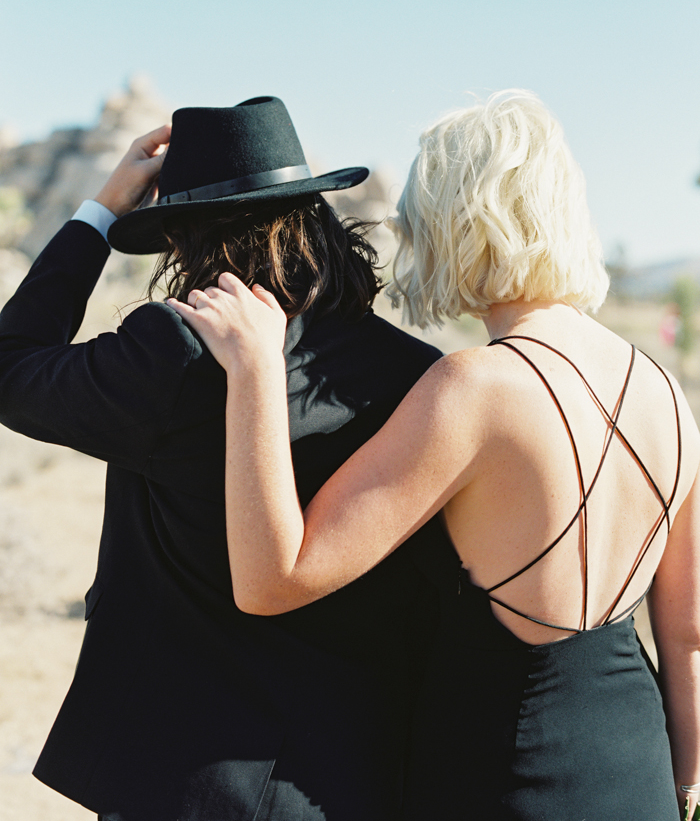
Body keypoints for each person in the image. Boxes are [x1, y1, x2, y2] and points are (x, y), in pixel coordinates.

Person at [169, 90, 700, 821]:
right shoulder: (666, 391)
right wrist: (684, 787)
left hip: (501, 777)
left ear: (460, 223)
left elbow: (271, 579)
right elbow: (688, 634)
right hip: (636, 771)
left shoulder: (472, 389)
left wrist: (256, 373)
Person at [0, 96, 444, 821]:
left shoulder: (173, 355)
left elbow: (11, 368)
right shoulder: (417, 373)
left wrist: (99, 213)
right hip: (353, 782)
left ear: (184, 239)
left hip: (186, 782)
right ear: (315, 216)